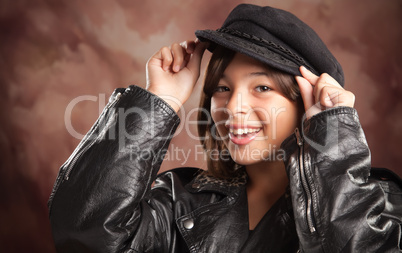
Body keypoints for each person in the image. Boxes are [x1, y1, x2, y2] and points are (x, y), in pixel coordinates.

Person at [48, 4, 402, 252]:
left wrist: (333, 134)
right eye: (222, 87)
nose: (233, 108)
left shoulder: (376, 204)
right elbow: (84, 234)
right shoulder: (178, 199)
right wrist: (159, 99)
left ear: (306, 103)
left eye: (262, 87)